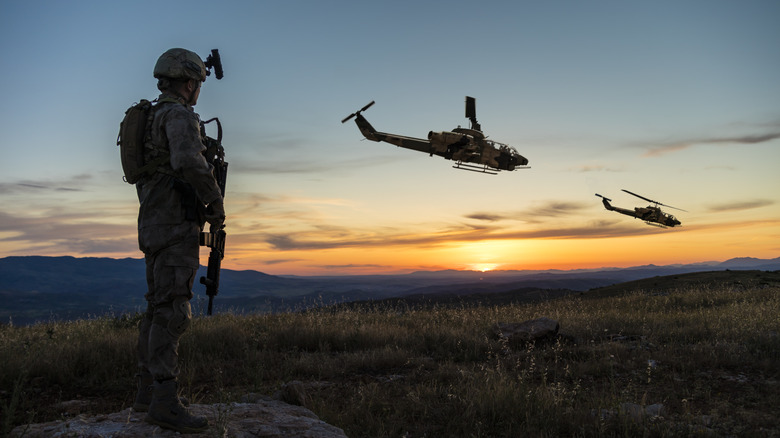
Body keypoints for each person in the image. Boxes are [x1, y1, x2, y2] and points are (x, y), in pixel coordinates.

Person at [131, 48, 225, 433]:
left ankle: (146, 394)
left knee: (156, 308)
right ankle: (165, 402)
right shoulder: (178, 115)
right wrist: (215, 204)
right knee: (173, 312)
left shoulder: (150, 115)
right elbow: (190, 161)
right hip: (174, 226)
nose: (199, 89)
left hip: (153, 224)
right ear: (189, 82)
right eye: (198, 82)